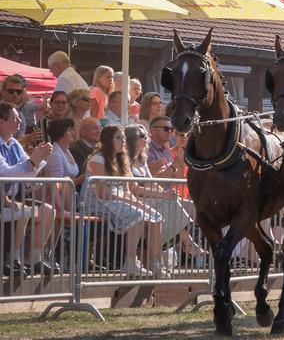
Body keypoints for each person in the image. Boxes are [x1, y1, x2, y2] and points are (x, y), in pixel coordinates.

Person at [85, 125, 165, 278]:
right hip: (98, 201)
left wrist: (140, 204)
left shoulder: (122, 160)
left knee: (155, 216)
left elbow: (127, 191)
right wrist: (135, 205)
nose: (123, 141)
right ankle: (130, 261)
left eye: (123, 138)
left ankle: (155, 263)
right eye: (118, 138)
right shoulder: (98, 159)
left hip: (117, 200)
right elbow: (103, 192)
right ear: (108, 140)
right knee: (139, 215)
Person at [125, 124, 203, 266]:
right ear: (135, 140)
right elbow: (134, 189)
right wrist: (163, 196)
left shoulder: (141, 160)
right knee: (169, 204)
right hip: (135, 198)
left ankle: (193, 244)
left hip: (150, 197)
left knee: (192, 206)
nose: (148, 139)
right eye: (144, 137)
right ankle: (189, 244)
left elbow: (151, 182)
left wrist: (164, 193)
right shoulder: (126, 160)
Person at [0, 101, 59, 276]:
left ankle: (35, 259)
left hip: (12, 198)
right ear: (1, 122)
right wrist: (32, 161)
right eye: (15, 118)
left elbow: (27, 177)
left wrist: (38, 160)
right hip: (3, 200)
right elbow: (5, 174)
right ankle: (13, 259)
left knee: (48, 211)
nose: (19, 122)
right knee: (25, 211)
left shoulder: (14, 144)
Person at [43, 117, 80, 212]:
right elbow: (58, 182)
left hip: (69, 197)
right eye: (69, 131)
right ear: (60, 133)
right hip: (55, 201)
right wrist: (80, 180)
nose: (73, 133)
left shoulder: (66, 150)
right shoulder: (55, 154)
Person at [2, 74, 30, 139]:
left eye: (19, 91)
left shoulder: (20, 116)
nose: (15, 94)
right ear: (3, 92)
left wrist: (29, 140)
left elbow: (19, 141)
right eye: (11, 91)